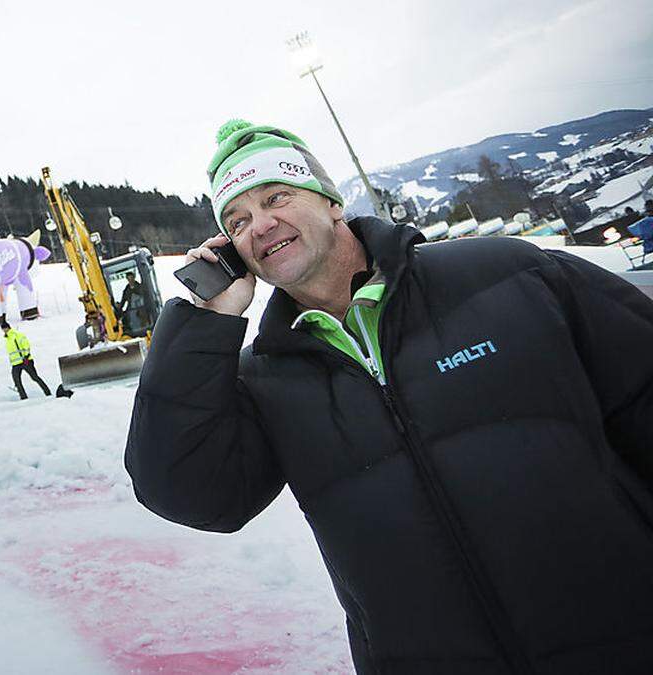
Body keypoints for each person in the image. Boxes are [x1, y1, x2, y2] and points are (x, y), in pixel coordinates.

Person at [124, 120, 653, 672]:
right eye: (237, 221)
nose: (259, 225)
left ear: (331, 203)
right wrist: (205, 322)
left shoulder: (508, 274)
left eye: (275, 196)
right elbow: (189, 494)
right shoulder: (265, 378)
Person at [0, 321, 50, 400]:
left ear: (8, 327)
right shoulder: (7, 338)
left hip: (25, 361)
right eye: (3, 329)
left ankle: (47, 392)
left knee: (34, 377)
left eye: (5, 328)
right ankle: (23, 397)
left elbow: (26, 345)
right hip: (16, 363)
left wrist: (26, 356)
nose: (4, 330)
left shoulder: (17, 335)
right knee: (17, 380)